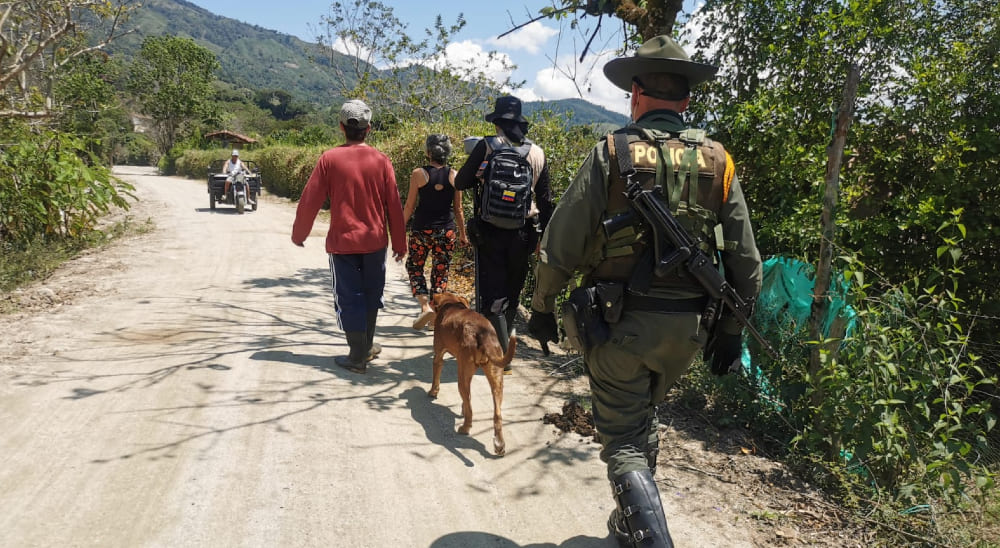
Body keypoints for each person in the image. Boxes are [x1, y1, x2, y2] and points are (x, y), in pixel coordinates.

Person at [527, 36, 763, 547]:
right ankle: (626, 529)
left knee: (622, 445)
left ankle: (652, 540)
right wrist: (730, 330)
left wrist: (542, 306)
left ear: (635, 93)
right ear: (685, 100)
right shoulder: (718, 161)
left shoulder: (611, 152)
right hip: (687, 331)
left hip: (619, 325)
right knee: (642, 421)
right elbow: (747, 263)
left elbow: (561, 242)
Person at [291, 99, 406, 374]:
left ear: (342, 127)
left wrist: (300, 233)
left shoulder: (329, 159)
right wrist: (400, 243)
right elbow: (394, 205)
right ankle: (364, 349)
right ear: (368, 129)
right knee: (371, 294)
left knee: (349, 297)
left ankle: (358, 355)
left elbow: (310, 200)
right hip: (375, 242)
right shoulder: (381, 160)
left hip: (343, 244)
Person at [454, 95, 554, 373]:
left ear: (497, 123)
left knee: (492, 295)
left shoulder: (487, 146)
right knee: (511, 291)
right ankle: (504, 347)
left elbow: (461, 181)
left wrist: (481, 174)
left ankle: (499, 355)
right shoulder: (537, 153)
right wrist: (544, 237)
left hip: (490, 232)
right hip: (525, 233)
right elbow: (546, 200)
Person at [402, 134, 469, 330]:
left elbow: (409, 206)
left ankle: (425, 307)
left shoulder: (418, 174)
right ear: (447, 153)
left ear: (429, 152)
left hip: (422, 230)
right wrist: (463, 235)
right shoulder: (454, 175)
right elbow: (458, 209)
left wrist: (398, 228)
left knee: (415, 267)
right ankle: (435, 314)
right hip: (446, 231)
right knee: (440, 272)